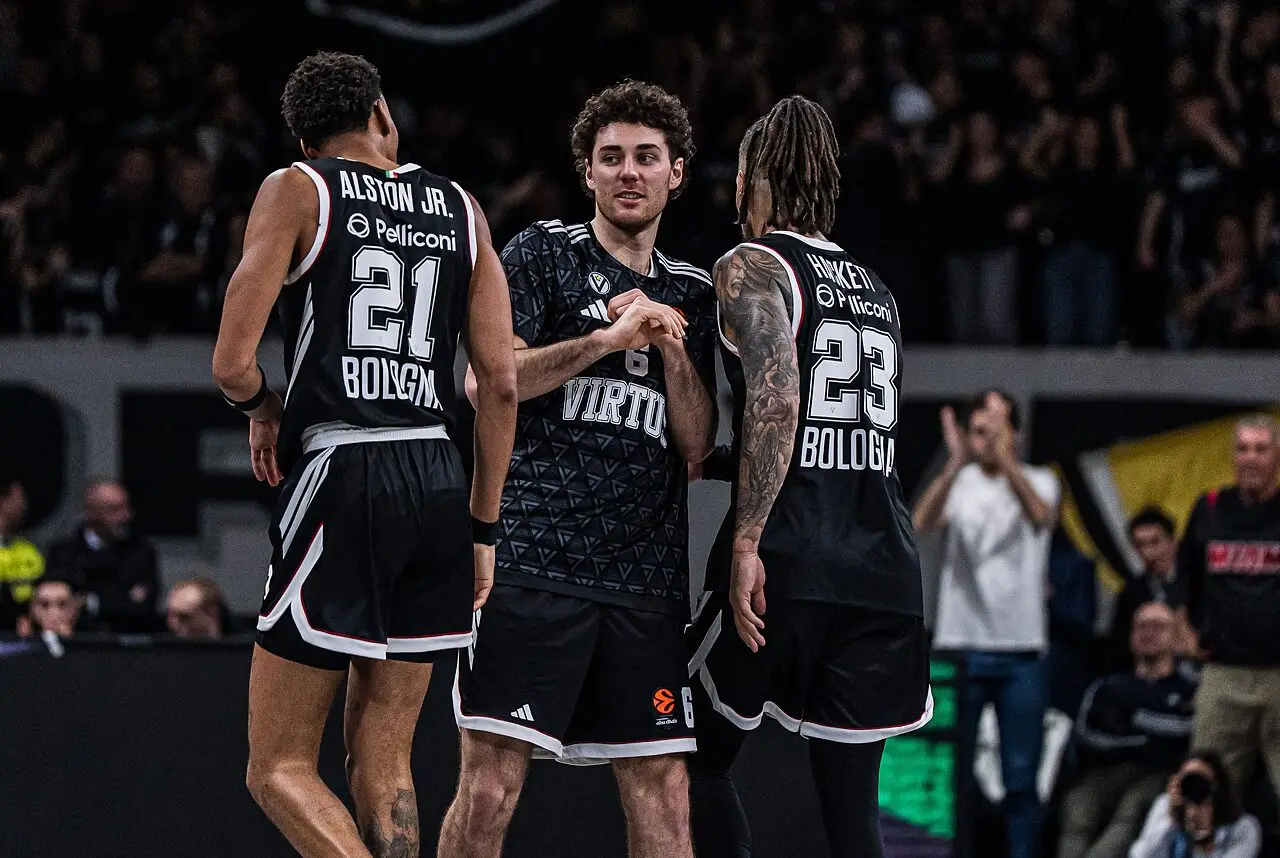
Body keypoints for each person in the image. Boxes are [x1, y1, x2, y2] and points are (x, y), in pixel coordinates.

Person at [210, 52, 517, 858]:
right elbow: (502, 387)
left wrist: (261, 408)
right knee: (383, 759)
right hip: (441, 480)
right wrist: (483, 530)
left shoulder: (298, 188)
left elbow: (231, 362)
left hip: (347, 470)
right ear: (382, 114)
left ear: (303, 139)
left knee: (275, 765)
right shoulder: (461, 207)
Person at [441, 80, 717, 858]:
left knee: (665, 800)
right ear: (587, 173)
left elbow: (696, 442)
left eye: (646, 158)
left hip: (647, 582)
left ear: (677, 173)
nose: (630, 172)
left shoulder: (692, 291)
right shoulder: (541, 254)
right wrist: (606, 338)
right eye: (612, 158)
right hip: (533, 564)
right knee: (490, 791)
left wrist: (666, 347)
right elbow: (486, 383)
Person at [686, 95, 932, 858]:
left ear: (753, 179)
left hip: (789, 558)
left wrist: (747, 539)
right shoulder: (877, 292)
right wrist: (721, 462)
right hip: (883, 573)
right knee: (853, 816)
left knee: (683, 750)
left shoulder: (753, 263)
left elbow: (778, 395)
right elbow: (838, 429)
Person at [913, 390, 1061, 858]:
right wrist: (956, 464)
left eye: (998, 429)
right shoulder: (962, 483)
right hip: (961, 649)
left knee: (1021, 776)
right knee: (951, 774)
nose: (989, 440)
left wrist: (1008, 461)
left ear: (1015, 433)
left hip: (1021, 651)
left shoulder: (1040, 480)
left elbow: (1041, 517)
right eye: (981, 431)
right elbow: (922, 523)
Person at [1180, 415, 1280, 804]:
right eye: (1243, 449)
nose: (1251, 458)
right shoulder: (1208, 509)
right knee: (1205, 797)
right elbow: (1182, 581)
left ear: (1276, 458)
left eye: (1261, 449)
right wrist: (1184, 632)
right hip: (1223, 676)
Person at [1057, 602, 1197, 858]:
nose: (1149, 633)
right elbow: (1086, 733)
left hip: (1160, 774)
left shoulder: (1189, 689)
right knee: (1078, 806)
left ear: (1175, 637)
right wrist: (1145, 738)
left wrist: (1135, 721)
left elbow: (1186, 732)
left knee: (1133, 808)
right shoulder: (1108, 686)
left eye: (1159, 627)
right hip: (1107, 771)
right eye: (1142, 626)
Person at [45, 479, 159, 633]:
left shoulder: (141, 552)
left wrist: (89, 602)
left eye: (127, 508)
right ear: (92, 513)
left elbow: (144, 608)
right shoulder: (64, 553)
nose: (126, 516)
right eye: (115, 510)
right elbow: (60, 605)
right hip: (79, 641)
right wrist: (122, 598)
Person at [1108, 507, 1194, 672]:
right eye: (1140, 545)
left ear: (1173, 542)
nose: (1148, 553)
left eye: (1155, 542)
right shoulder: (1131, 593)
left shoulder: (1197, 581)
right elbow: (1119, 647)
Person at [1129, 751, 1261, 858]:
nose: (1193, 788)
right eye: (1187, 780)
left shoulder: (1244, 828)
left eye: (1201, 782)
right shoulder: (1165, 805)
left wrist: (1203, 836)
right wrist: (1171, 820)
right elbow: (1140, 855)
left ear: (1218, 788)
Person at [0, 467, 44, 630]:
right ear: (3, 501)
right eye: (20, 498)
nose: (25, 505)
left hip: (28, 631)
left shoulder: (28, 549)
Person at [14, 577, 81, 638]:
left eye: (62, 604)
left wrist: (69, 641)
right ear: (33, 609)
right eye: (44, 604)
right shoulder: (15, 645)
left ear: (74, 608)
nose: (53, 612)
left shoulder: (90, 641)